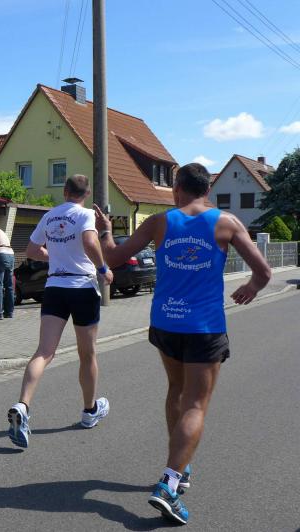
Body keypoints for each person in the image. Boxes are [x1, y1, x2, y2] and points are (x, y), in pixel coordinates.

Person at [93, 163, 271, 525]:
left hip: (166, 322)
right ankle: (170, 484)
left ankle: (181, 464)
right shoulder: (226, 223)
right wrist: (251, 288)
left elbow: (111, 257)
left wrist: (106, 231)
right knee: (195, 404)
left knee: (176, 390)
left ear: (177, 188)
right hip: (204, 327)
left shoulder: (159, 222)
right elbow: (264, 272)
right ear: (207, 190)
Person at [7, 174, 114, 449]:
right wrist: (103, 268)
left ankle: (23, 405)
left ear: (65, 191)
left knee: (44, 352)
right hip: (82, 287)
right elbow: (89, 243)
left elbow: (32, 250)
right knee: (87, 353)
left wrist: (52, 256)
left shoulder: (50, 216)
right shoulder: (86, 215)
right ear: (86, 195)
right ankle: (89, 412)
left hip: (55, 287)